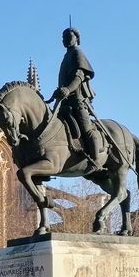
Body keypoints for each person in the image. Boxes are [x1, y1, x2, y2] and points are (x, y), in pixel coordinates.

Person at [53, 26, 105, 172]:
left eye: (68, 37)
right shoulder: (66, 57)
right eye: (63, 38)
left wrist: (68, 90)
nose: (65, 40)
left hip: (77, 100)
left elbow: (79, 76)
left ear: (77, 38)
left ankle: (95, 161)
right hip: (65, 102)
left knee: (86, 129)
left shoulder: (77, 53)